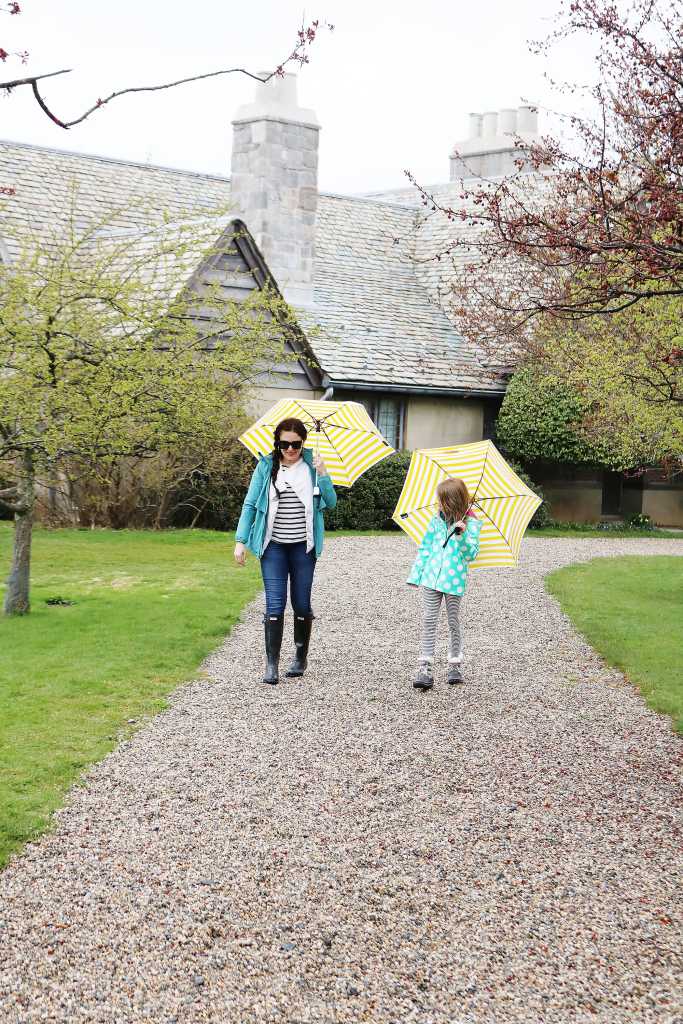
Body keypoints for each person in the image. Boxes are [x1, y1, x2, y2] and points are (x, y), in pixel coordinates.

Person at [234, 417, 337, 685]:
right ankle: (272, 665)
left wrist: (324, 474)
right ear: (277, 443)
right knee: (274, 604)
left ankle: (300, 657)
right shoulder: (267, 466)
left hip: (303, 548)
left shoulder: (313, 467)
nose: (290, 449)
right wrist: (240, 540)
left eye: (295, 444)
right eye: (284, 444)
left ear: (303, 442)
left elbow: (331, 503)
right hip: (273, 548)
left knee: (301, 603)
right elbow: (249, 505)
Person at [407, 477, 482, 690]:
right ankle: (425, 668)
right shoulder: (436, 520)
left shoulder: (472, 523)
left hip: (454, 581)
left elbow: (471, 555)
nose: (438, 504)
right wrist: (416, 575)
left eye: (441, 500)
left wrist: (461, 535)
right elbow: (426, 548)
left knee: (453, 620)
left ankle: (455, 664)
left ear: (452, 501)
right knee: (429, 619)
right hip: (431, 578)